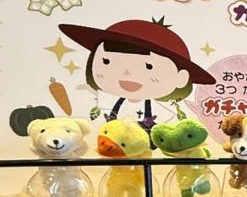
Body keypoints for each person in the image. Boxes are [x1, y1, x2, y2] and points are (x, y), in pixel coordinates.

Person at [58, 17, 217, 132]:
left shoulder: (165, 111)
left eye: (149, 66)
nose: (126, 73)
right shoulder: (104, 102)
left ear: (181, 78)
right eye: (107, 62)